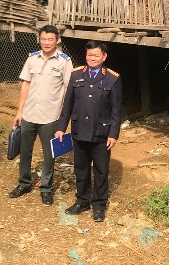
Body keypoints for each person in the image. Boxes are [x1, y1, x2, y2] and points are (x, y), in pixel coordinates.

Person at [55, 40, 122, 222]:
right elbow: (67, 105)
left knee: (101, 170)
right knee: (81, 169)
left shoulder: (113, 78)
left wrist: (113, 134)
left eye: (96, 55)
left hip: (101, 133)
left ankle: (99, 205)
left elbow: (116, 110)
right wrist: (61, 128)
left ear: (104, 57)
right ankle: (82, 201)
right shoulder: (76, 75)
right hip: (79, 131)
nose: (92, 58)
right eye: (89, 55)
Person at [8, 25, 73, 206]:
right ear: (39, 39)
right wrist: (20, 111)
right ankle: (24, 183)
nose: (46, 42)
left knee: (49, 154)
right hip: (29, 114)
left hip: (50, 116)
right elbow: (26, 85)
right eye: (43, 39)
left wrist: (63, 117)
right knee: (24, 151)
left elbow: (67, 89)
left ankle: (46, 188)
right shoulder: (32, 59)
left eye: (50, 39)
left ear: (57, 40)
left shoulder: (65, 62)